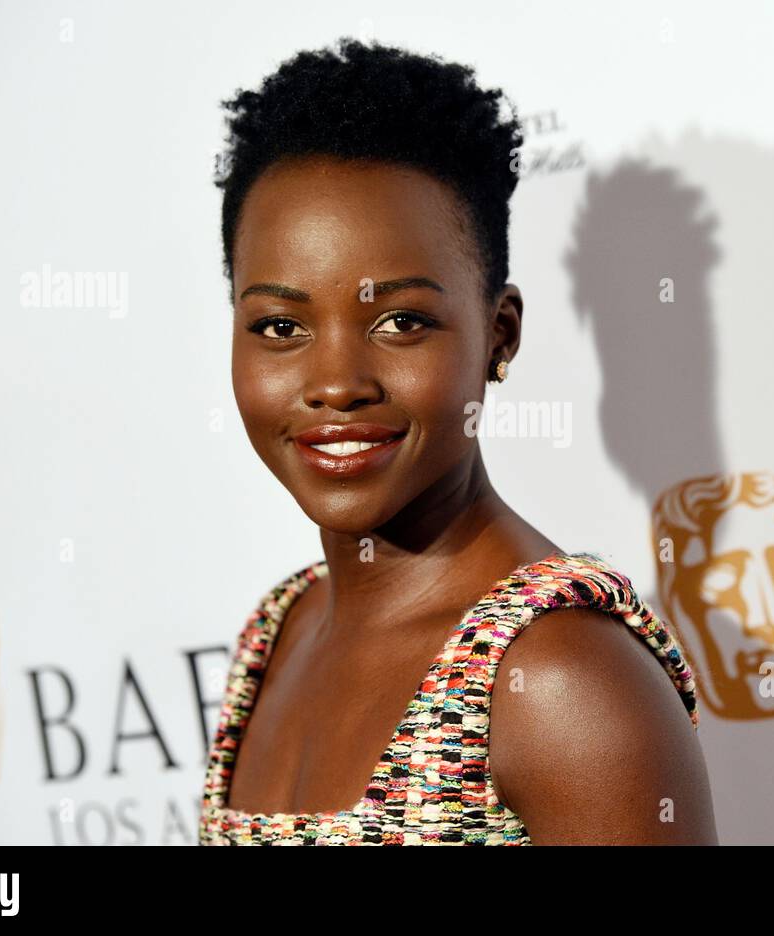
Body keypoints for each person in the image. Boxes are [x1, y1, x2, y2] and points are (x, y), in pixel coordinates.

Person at [198, 36, 717, 845]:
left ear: (499, 336)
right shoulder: (278, 632)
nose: (337, 383)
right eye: (280, 325)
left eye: (401, 322)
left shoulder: (558, 675)